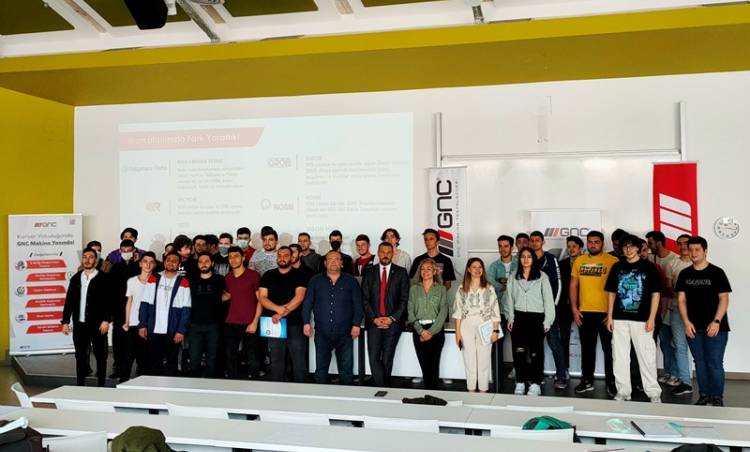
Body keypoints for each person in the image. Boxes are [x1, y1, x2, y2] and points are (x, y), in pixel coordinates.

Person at [605, 235, 662, 403]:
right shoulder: (617, 267)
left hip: (642, 319)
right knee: (619, 356)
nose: (628, 250)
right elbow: (611, 293)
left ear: (638, 248)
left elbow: (656, 294)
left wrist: (652, 318)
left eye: (631, 246)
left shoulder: (648, 267)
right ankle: (623, 391)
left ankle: (653, 392)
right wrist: (610, 316)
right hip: (619, 318)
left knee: (647, 356)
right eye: (625, 247)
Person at [676, 236, 732, 407]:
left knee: (714, 363)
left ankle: (717, 397)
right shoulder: (684, 274)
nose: (693, 253)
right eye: (691, 250)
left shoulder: (717, 272)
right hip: (693, 327)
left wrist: (716, 321)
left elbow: (724, 298)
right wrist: (686, 322)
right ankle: (704, 395)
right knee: (699, 362)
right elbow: (681, 300)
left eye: (697, 250)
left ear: (705, 251)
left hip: (716, 327)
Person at [302, 251, 363, 385]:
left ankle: (346, 396)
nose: (334, 261)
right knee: (321, 369)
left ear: (342, 263)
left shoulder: (351, 281)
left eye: (337, 259)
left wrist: (356, 324)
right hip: (322, 333)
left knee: (346, 369)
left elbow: (358, 305)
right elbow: (307, 303)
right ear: (325, 263)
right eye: (330, 259)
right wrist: (306, 322)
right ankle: (320, 396)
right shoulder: (315, 280)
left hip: (345, 333)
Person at [570, 230, 619, 396]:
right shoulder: (579, 261)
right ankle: (587, 380)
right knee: (587, 349)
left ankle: (612, 382)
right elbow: (573, 285)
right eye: (590, 242)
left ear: (602, 243)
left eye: (596, 242)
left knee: (610, 350)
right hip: (585, 313)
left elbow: (619, 288)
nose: (593, 245)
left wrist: (612, 313)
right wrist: (574, 309)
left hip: (606, 314)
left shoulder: (613, 261)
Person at [504, 248, 555, 396]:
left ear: (533, 259)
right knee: (519, 352)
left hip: (536, 318)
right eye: (523, 257)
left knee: (536, 353)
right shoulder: (514, 277)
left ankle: (535, 383)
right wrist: (510, 317)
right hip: (519, 318)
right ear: (519, 259)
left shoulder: (542, 277)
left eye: (529, 257)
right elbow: (509, 298)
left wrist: (548, 321)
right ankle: (520, 381)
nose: (526, 259)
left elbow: (548, 300)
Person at [61, 247, 112, 386]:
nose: (87, 260)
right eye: (84, 257)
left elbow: (109, 301)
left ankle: (101, 386)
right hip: (79, 325)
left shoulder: (104, 278)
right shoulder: (76, 278)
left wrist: (106, 320)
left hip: (98, 325)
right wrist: (65, 321)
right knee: (80, 357)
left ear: (96, 260)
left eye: (91, 257)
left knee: (101, 356)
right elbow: (69, 301)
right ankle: (80, 386)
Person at [361, 242, 410, 387]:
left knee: (388, 358)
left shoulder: (401, 272)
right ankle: (382, 387)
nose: (385, 255)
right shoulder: (369, 272)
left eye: (389, 252)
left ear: (393, 254)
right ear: (378, 253)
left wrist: (391, 318)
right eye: (383, 252)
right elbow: (364, 298)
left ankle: (381, 388)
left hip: (393, 324)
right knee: (374, 357)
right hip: (374, 322)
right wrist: (374, 319)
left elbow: (404, 299)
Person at [138, 251, 192, 376]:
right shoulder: (154, 278)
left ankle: (169, 385)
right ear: (164, 262)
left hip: (173, 330)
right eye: (168, 260)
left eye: (174, 261)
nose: (171, 262)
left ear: (179, 264)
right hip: (154, 328)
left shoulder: (183, 282)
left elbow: (186, 309)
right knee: (154, 360)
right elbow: (145, 302)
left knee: (171, 362)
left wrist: (181, 330)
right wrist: (142, 325)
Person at [258, 246, 308, 382]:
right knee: (276, 359)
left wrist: (281, 313)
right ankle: (277, 388)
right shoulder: (268, 275)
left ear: (291, 257)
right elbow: (262, 297)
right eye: (279, 255)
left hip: (295, 323)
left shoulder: (300, 275)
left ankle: (301, 388)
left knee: (298, 359)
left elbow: (299, 297)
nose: (282, 258)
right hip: (273, 323)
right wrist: (278, 309)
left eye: (286, 255)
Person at [453, 258, 501, 392]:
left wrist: (495, 331)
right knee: (469, 360)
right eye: (474, 267)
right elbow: (458, 312)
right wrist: (457, 333)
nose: (477, 270)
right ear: (468, 269)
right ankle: (471, 390)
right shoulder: (462, 288)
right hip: (466, 324)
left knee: (484, 360)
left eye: (480, 267)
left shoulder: (489, 288)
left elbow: (495, 310)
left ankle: (483, 391)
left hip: (485, 324)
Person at [529, 231, 566, 388]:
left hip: (550, 310)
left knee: (554, 343)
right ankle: (536, 376)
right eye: (532, 240)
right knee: (535, 346)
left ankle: (561, 376)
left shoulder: (550, 259)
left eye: (537, 240)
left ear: (543, 242)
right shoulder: (527, 259)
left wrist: (553, 307)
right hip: (533, 310)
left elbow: (558, 283)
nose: (534, 243)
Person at [408, 258, 449, 390]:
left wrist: (430, 332)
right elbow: (410, 312)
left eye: (429, 269)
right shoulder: (413, 289)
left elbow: (443, 311)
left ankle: (434, 395)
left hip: (436, 330)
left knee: (434, 364)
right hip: (418, 330)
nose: (425, 271)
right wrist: (421, 331)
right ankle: (427, 393)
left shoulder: (441, 289)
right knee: (424, 365)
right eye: (423, 269)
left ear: (435, 271)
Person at [661, 233, 694, 396]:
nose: (682, 246)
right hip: (677, 310)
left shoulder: (698, 263)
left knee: (700, 349)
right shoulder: (672, 264)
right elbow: (669, 288)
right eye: (679, 243)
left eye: (686, 243)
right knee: (679, 346)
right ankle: (686, 382)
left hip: (698, 312)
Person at [223, 246, 262, 379]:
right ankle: (232, 383)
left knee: (252, 357)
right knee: (230, 356)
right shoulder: (228, 277)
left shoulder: (254, 275)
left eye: (236, 256)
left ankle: (254, 384)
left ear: (243, 258)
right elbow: (228, 296)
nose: (233, 259)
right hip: (231, 322)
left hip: (250, 322)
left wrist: (255, 322)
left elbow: (261, 300)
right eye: (230, 257)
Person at [188, 252, 226, 378]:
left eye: (207, 261)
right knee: (194, 358)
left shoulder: (220, 279)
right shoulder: (192, 280)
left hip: (214, 324)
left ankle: (212, 385)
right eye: (200, 262)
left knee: (212, 359)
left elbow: (228, 295)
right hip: (194, 325)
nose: (203, 264)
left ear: (212, 263)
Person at [107, 239, 141, 379]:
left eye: (129, 251)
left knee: (137, 339)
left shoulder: (139, 267)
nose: (126, 253)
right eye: (124, 251)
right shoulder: (115, 268)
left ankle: (140, 367)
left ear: (134, 251)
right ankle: (118, 367)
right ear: (120, 251)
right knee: (118, 340)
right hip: (119, 310)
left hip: (136, 309)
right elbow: (110, 291)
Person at [121, 251, 157, 382]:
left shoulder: (157, 281)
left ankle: (144, 386)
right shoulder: (132, 281)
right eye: (145, 261)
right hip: (134, 323)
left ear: (154, 265)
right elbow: (129, 302)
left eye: (151, 262)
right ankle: (122, 384)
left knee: (145, 358)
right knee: (128, 357)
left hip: (150, 325)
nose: (148, 264)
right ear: (140, 264)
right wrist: (127, 321)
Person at [487, 234, 517, 381]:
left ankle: (517, 369)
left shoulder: (519, 263)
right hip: (498, 310)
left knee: (518, 342)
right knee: (497, 342)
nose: (503, 249)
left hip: (516, 309)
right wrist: (508, 285)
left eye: (506, 246)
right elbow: (490, 284)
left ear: (512, 247)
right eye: (500, 246)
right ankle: (496, 372)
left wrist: (503, 283)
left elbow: (520, 282)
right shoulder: (494, 266)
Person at [555, 235, 582, 389]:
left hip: (583, 306)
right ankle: (564, 370)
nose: (571, 249)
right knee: (563, 338)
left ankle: (586, 374)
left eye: (574, 246)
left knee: (586, 341)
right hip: (565, 307)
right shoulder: (562, 264)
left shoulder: (585, 263)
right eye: (569, 246)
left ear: (580, 248)